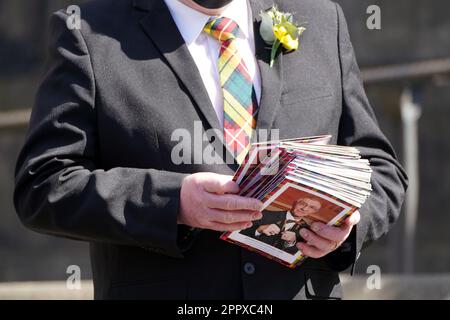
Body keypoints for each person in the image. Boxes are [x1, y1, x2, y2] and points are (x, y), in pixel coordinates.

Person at [13, 0, 408, 299]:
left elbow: (380, 168)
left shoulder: (322, 19)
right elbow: (44, 183)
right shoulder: (88, 31)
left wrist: (346, 227)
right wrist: (174, 203)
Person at [243, 198, 322, 254]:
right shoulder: (264, 214)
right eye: (302, 204)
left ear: (314, 212)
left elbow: (296, 254)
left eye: (311, 207)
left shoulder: (309, 233)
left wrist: (291, 242)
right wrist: (259, 230)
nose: (304, 209)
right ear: (295, 203)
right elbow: (239, 233)